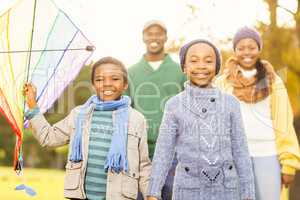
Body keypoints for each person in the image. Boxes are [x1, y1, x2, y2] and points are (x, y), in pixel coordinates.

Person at [23, 57, 151, 200]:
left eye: (115, 79)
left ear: (125, 84)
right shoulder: (79, 114)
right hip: (80, 196)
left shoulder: (137, 119)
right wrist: (33, 105)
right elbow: (49, 138)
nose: (107, 84)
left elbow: (143, 165)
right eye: (100, 79)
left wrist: (150, 195)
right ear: (93, 84)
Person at [147, 39, 255, 200]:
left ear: (217, 67)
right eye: (194, 60)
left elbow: (241, 151)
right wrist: (153, 192)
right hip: (187, 190)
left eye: (208, 61)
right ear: (184, 67)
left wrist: (248, 193)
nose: (201, 66)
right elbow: (164, 150)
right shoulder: (174, 105)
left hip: (227, 190)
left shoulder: (231, 103)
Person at [214, 27, 300, 200]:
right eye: (241, 48)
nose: (247, 52)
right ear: (235, 50)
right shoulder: (222, 83)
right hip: (234, 157)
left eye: (252, 47)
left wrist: (289, 164)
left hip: (267, 154)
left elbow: (284, 123)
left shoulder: (273, 81)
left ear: (259, 49)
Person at [125, 20, 186, 200]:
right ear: (143, 38)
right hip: (140, 151)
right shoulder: (130, 72)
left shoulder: (180, 71)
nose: (154, 37)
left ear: (165, 37)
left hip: (174, 151)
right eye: (149, 34)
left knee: (171, 195)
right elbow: (126, 111)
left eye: (158, 33)